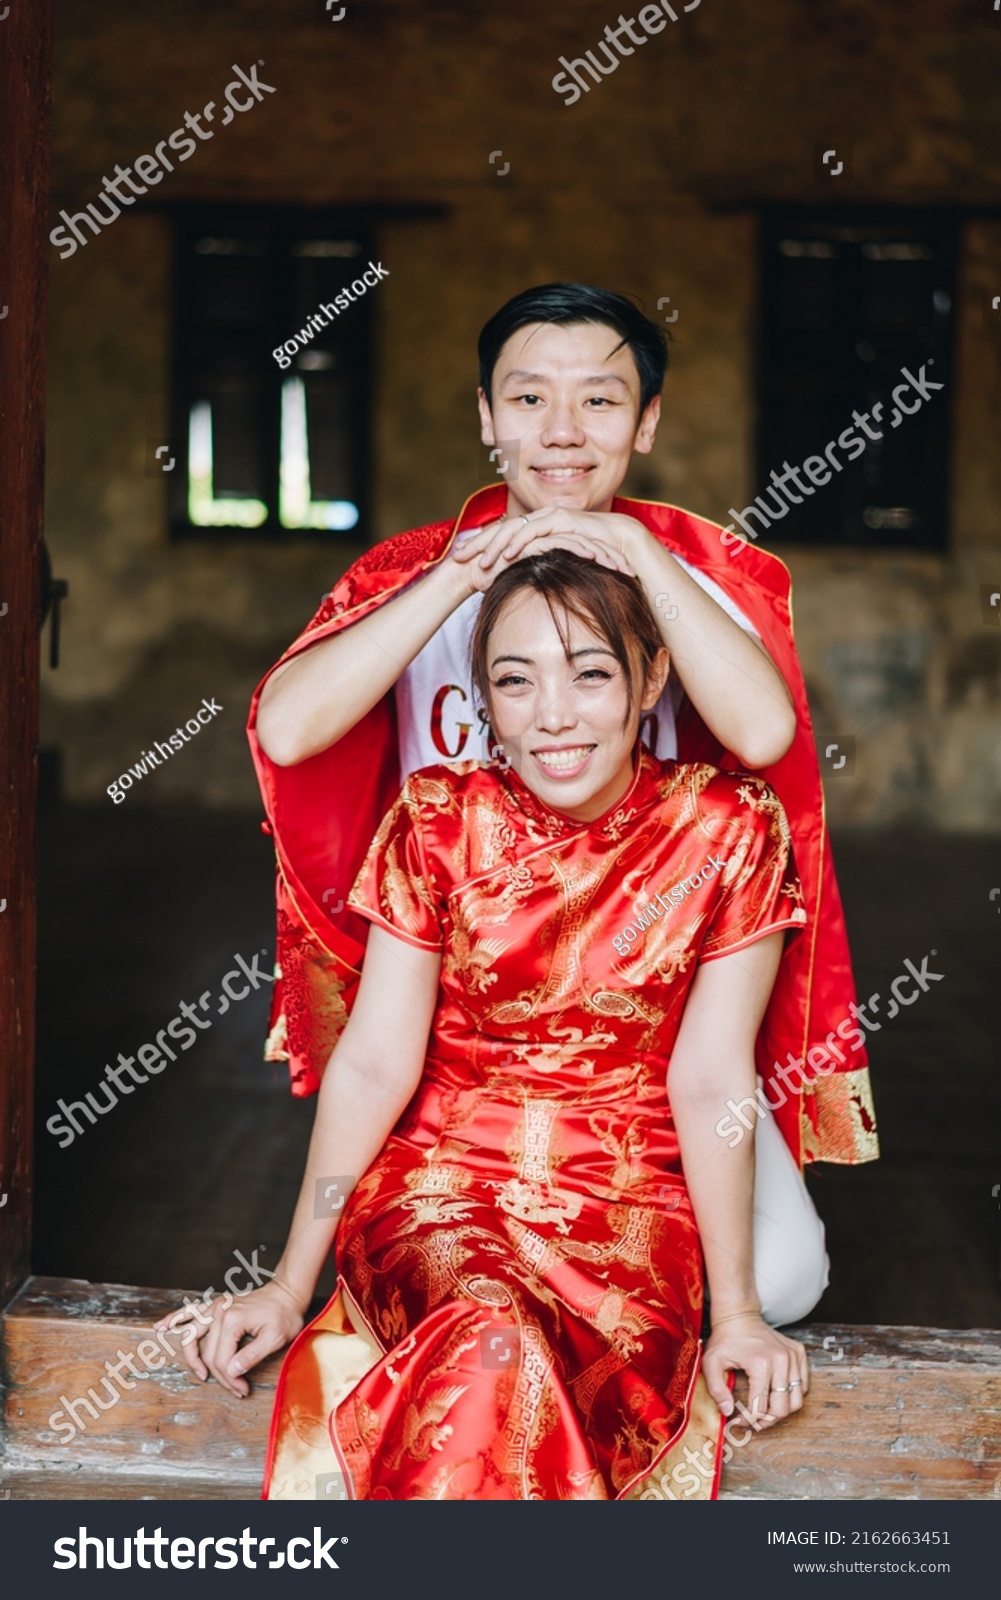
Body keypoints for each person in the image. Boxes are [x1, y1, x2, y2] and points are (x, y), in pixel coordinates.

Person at [246, 283, 877, 1315]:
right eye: (529, 400)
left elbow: (764, 737)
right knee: (437, 1264)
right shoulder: (413, 576)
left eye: (598, 401)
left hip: (651, 1029)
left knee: (780, 1276)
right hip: (460, 1015)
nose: (562, 432)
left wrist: (629, 548)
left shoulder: (694, 582)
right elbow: (285, 730)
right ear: (486, 418)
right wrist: (457, 577)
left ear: (646, 422)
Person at [167, 551, 813, 1501]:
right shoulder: (436, 819)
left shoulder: (727, 829)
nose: (552, 714)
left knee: (532, 1364)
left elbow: (711, 1081)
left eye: (590, 673)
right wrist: (285, 1280)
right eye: (515, 680)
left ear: (651, 679)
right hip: (437, 1187)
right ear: (484, 698)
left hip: (630, 1201)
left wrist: (741, 1315)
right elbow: (375, 1064)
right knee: (488, 1329)